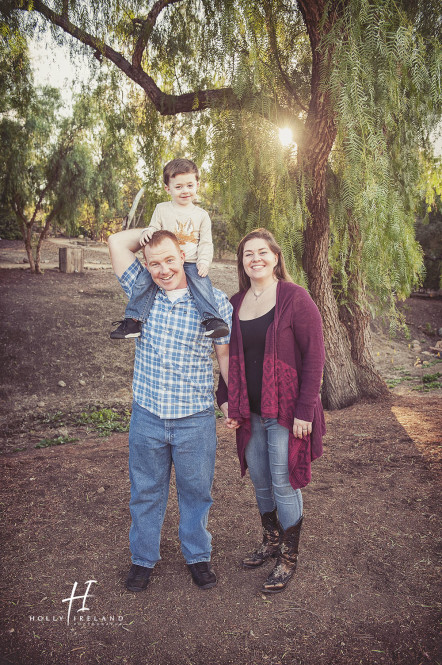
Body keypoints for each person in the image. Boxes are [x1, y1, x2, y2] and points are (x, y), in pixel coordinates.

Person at [108, 228, 232, 592]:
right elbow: (117, 243)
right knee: (146, 491)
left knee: (196, 491)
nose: (162, 270)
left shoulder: (213, 302)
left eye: (170, 260)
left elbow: (223, 354)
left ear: (184, 258)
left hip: (195, 418)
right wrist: (146, 234)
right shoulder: (141, 294)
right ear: (145, 266)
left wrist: (232, 402)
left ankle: (197, 556)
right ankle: (142, 560)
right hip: (148, 416)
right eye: (154, 263)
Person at [216, 228, 326, 594]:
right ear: (242, 261)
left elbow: (315, 357)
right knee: (261, 478)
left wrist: (305, 411)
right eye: (248, 253)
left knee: (283, 479)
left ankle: (288, 558)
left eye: (262, 252)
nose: (255, 258)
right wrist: (225, 399)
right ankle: (271, 538)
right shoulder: (234, 303)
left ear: (276, 257)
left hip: (286, 410)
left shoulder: (295, 298)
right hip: (250, 411)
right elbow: (229, 357)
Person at [110, 158, 229, 340]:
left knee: (202, 284)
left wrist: (204, 261)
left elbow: (206, 243)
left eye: (189, 185)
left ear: (197, 185)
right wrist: (148, 232)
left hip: (190, 261)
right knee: (143, 282)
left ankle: (212, 320)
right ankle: (133, 321)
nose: (185, 191)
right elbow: (153, 227)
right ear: (168, 188)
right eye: (179, 186)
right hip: (165, 260)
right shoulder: (162, 209)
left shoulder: (202, 215)